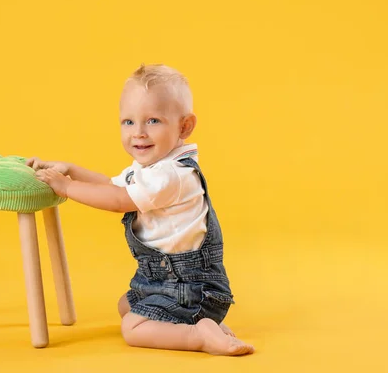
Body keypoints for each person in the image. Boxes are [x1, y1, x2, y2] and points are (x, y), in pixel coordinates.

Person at [27, 64, 254, 356]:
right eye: (128, 122)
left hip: (190, 287)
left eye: (153, 121)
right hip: (161, 280)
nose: (139, 133)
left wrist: (67, 188)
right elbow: (111, 186)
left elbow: (119, 200)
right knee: (126, 305)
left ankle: (199, 336)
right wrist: (69, 170)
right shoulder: (151, 168)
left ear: (184, 126)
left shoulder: (172, 175)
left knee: (132, 327)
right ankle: (208, 326)